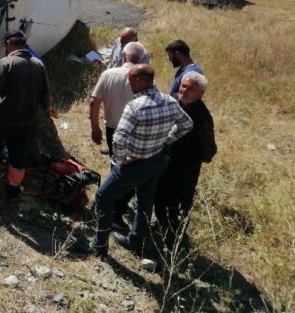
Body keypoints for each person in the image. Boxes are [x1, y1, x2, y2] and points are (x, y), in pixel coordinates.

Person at [91, 64, 193, 258]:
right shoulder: (170, 101)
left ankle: (99, 245)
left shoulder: (135, 106)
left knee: (103, 197)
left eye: (130, 80)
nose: (128, 83)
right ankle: (135, 241)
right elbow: (187, 124)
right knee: (145, 203)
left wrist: (121, 160)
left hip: (135, 165)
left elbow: (118, 138)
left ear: (139, 81)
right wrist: (165, 140)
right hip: (157, 161)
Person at [0, 30, 56, 199]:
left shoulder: (6, 62)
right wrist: (47, 110)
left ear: (7, 44)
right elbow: (45, 94)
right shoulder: (38, 64)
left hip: (1, 120)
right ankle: (13, 188)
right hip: (25, 121)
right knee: (17, 153)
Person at [89, 41, 148, 232]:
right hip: (136, 132)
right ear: (142, 59)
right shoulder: (146, 80)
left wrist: (95, 128)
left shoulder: (108, 74)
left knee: (117, 167)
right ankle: (111, 209)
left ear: (123, 56)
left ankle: (105, 206)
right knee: (128, 172)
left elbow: (94, 103)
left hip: (112, 129)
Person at [155, 71, 217, 247]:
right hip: (164, 161)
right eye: (183, 85)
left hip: (184, 169)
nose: (184, 90)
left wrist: (195, 159)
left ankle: (174, 240)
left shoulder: (202, 117)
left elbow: (210, 148)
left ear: (200, 94)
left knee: (178, 203)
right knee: (159, 196)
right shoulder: (172, 100)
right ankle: (161, 224)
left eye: (191, 88)